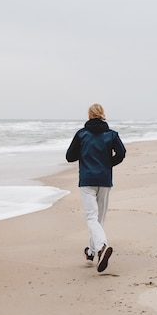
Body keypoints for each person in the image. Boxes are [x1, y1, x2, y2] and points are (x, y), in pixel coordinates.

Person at [66, 104, 126, 272]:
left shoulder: (82, 134)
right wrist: (107, 164)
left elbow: (70, 156)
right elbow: (121, 153)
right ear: (102, 115)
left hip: (87, 180)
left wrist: (85, 153)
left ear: (89, 115)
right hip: (104, 180)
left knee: (92, 218)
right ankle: (92, 252)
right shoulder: (112, 135)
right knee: (99, 220)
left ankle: (102, 246)